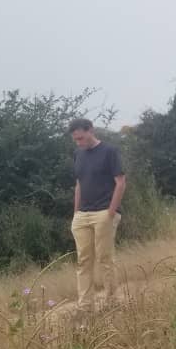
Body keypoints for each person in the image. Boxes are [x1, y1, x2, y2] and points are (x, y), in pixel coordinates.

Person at [68, 118, 126, 322]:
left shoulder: (109, 151)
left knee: (105, 258)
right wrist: (76, 212)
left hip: (104, 212)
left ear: (91, 131)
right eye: (75, 139)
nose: (79, 142)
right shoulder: (78, 154)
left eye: (81, 138)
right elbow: (79, 184)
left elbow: (120, 182)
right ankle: (85, 305)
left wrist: (111, 212)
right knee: (83, 261)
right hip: (82, 215)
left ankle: (112, 301)